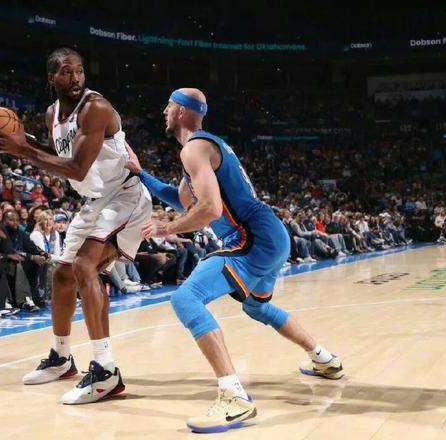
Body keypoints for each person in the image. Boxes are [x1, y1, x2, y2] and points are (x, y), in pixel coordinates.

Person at [126, 88, 343, 433]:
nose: (163, 111)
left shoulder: (194, 148)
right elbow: (184, 201)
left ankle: (234, 398)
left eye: (168, 105)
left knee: (186, 298)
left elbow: (210, 209)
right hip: (271, 235)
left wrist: (167, 228)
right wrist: (141, 174)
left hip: (252, 238)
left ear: (181, 111)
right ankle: (324, 359)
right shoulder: (204, 148)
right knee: (256, 307)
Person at [0, 47, 152, 404]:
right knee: (61, 276)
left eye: (80, 70)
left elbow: (76, 168)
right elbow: (56, 155)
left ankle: (105, 371)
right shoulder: (51, 114)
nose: (75, 78)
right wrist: (20, 143)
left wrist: (22, 150)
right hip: (95, 201)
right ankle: (61, 358)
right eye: (66, 71)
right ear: (52, 78)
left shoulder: (96, 108)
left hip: (124, 195)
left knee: (85, 265)